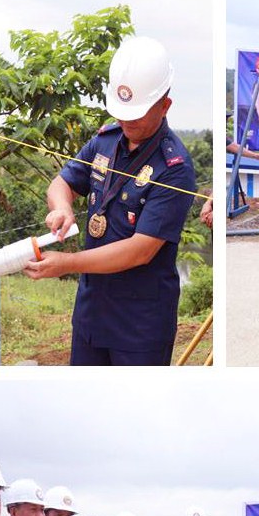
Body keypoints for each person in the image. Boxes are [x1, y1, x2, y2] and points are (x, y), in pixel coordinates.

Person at [24, 36, 198, 366]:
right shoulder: (106, 140)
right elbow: (61, 183)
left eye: (137, 114)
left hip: (140, 325)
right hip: (92, 311)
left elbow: (141, 249)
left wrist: (66, 263)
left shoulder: (174, 167)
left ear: (164, 106)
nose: (126, 122)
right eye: (121, 113)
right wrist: (62, 207)